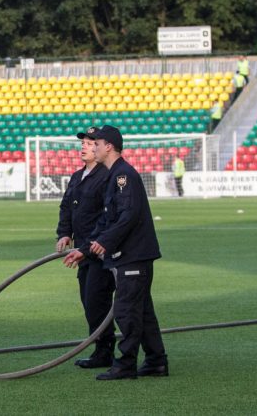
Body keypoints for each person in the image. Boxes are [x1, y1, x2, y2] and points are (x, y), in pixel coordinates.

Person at [64, 125, 168, 381]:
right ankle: (156, 361)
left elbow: (128, 216)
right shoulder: (114, 176)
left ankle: (126, 364)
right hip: (129, 255)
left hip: (133, 255)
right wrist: (86, 250)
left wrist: (105, 242)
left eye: (96, 143)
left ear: (108, 146)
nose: (92, 147)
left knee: (126, 311)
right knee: (142, 311)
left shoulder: (123, 176)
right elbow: (106, 220)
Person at [55, 126, 115, 369]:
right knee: (89, 301)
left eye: (90, 142)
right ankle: (101, 348)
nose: (84, 146)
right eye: (83, 142)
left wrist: (91, 245)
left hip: (99, 251)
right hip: (82, 251)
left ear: (100, 146)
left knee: (96, 301)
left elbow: (108, 217)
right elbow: (66, 207)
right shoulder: (77, 176)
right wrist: (64, 233)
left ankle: (105, 351)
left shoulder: (106, 175)